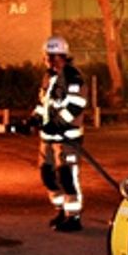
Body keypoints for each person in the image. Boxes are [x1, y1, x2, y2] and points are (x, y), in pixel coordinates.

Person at [30, 36, 87, 232]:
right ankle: (62, 210)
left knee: (67, 176)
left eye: (49, 56)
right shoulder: (49, 77)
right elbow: (44, 104)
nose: (46, 60)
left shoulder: (73, 77)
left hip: (67, 137)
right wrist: (35, 118)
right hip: (48, 137)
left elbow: (75, 105)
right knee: (47, 174)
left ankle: (74, 216)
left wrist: (58, 124)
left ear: (58, 56)